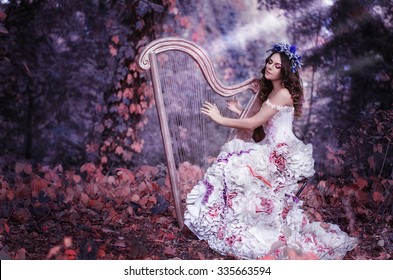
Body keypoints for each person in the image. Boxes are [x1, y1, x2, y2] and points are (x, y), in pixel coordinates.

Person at [184, 43, 358, 260]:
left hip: (282, 154)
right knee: (232, 164)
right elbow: (261, 131)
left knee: (232, 164)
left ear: (284, 71)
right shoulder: (273, 92)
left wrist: (220, 118)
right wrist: (240, 111)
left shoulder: (283, 93)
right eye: (269, 62)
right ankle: (228, 220)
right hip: (271, 148)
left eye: (277, 65)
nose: (270, 67)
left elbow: (252, 125)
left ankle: (236, 224)